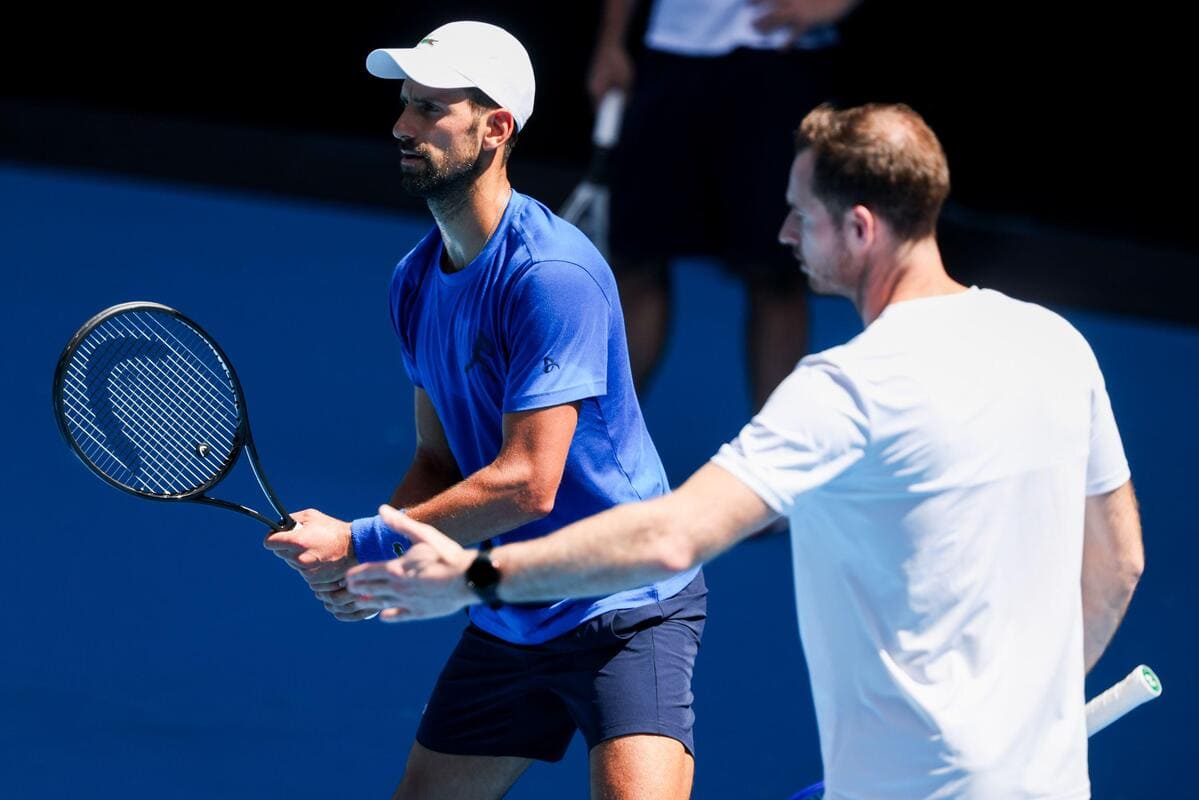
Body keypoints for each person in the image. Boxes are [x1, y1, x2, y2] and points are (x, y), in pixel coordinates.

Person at [346, 103, 1145, 799]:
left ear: (860, 227)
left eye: (800, 211)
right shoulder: (1054, 343)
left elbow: (668, 537)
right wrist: (1025, 717)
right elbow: (1118, 566)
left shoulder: (844, 387)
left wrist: (475, 576)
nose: (782, 231)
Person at [263, 20, 705, 800]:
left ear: (495, 128)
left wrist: (360, 541)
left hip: (623, 605)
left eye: (431, 109)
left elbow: (529, 480)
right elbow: (439, 459)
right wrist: (369, 566)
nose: (402, 125)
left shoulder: (551, 275)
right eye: (405, 105)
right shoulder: (413, 279)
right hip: (507, 607)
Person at [588, 0, 861, 409]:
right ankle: (591, 450)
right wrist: (611, 41)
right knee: (636, 263)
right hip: (671, 54)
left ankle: (777, 464)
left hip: (783, 60)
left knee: (778, 273)